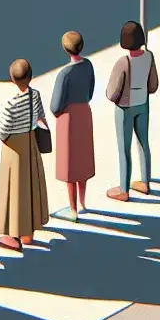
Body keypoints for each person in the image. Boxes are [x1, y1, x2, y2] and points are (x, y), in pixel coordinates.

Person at [0, 59, 52, 252]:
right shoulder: (34, 96)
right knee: (30, 186)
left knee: (15, 190)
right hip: (30, 142)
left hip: (14, 147)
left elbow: (3, 131)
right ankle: (29, 234)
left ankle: (13, 235)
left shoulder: (11, 104)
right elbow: (41, 116)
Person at [104, 21, 159, 200]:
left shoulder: (123, 62)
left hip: (125, 107)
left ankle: (124, 189)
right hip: (143, 103)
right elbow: (153, 85)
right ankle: (145, 181)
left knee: (124, 147)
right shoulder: (149, 56)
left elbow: (112, 92)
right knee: (144, 142)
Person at [49, 32, 96, 216]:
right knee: (82, 161)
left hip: (68, 117)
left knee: (70, 164)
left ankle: (73, 208)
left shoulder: (65, 74)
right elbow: (91, 91)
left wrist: (59, 113)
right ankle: (83, 203)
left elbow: (55, 105)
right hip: (84, 113)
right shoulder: (88, 65)